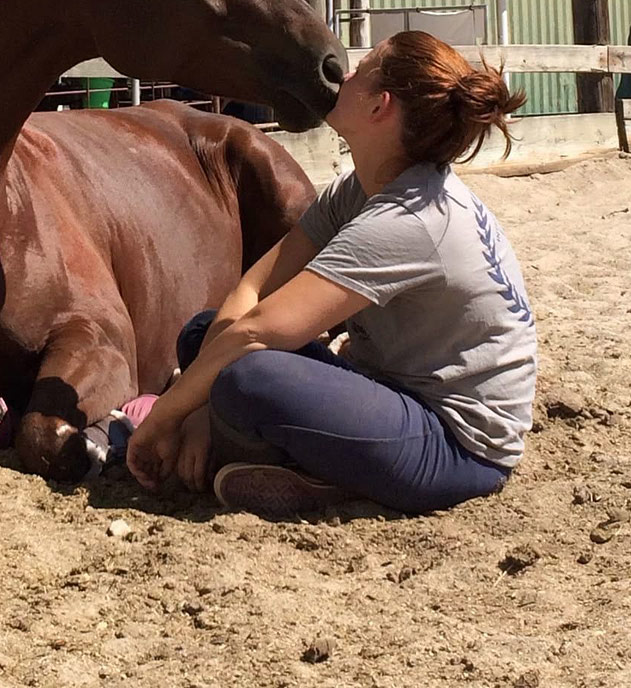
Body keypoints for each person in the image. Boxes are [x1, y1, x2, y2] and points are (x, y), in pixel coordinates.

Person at [125, 30, 536, 518]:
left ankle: (324, 479)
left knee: (248, 374)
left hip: (455, 449)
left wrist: (162, 421)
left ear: (379, 106)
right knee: (205, 334)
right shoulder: (360, 188)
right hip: (388, 393)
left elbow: (259, 333)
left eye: (362, 70)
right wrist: (194, 410)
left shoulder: (410, 220)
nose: (347, 74)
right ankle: (298, 459)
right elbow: (254, 289)